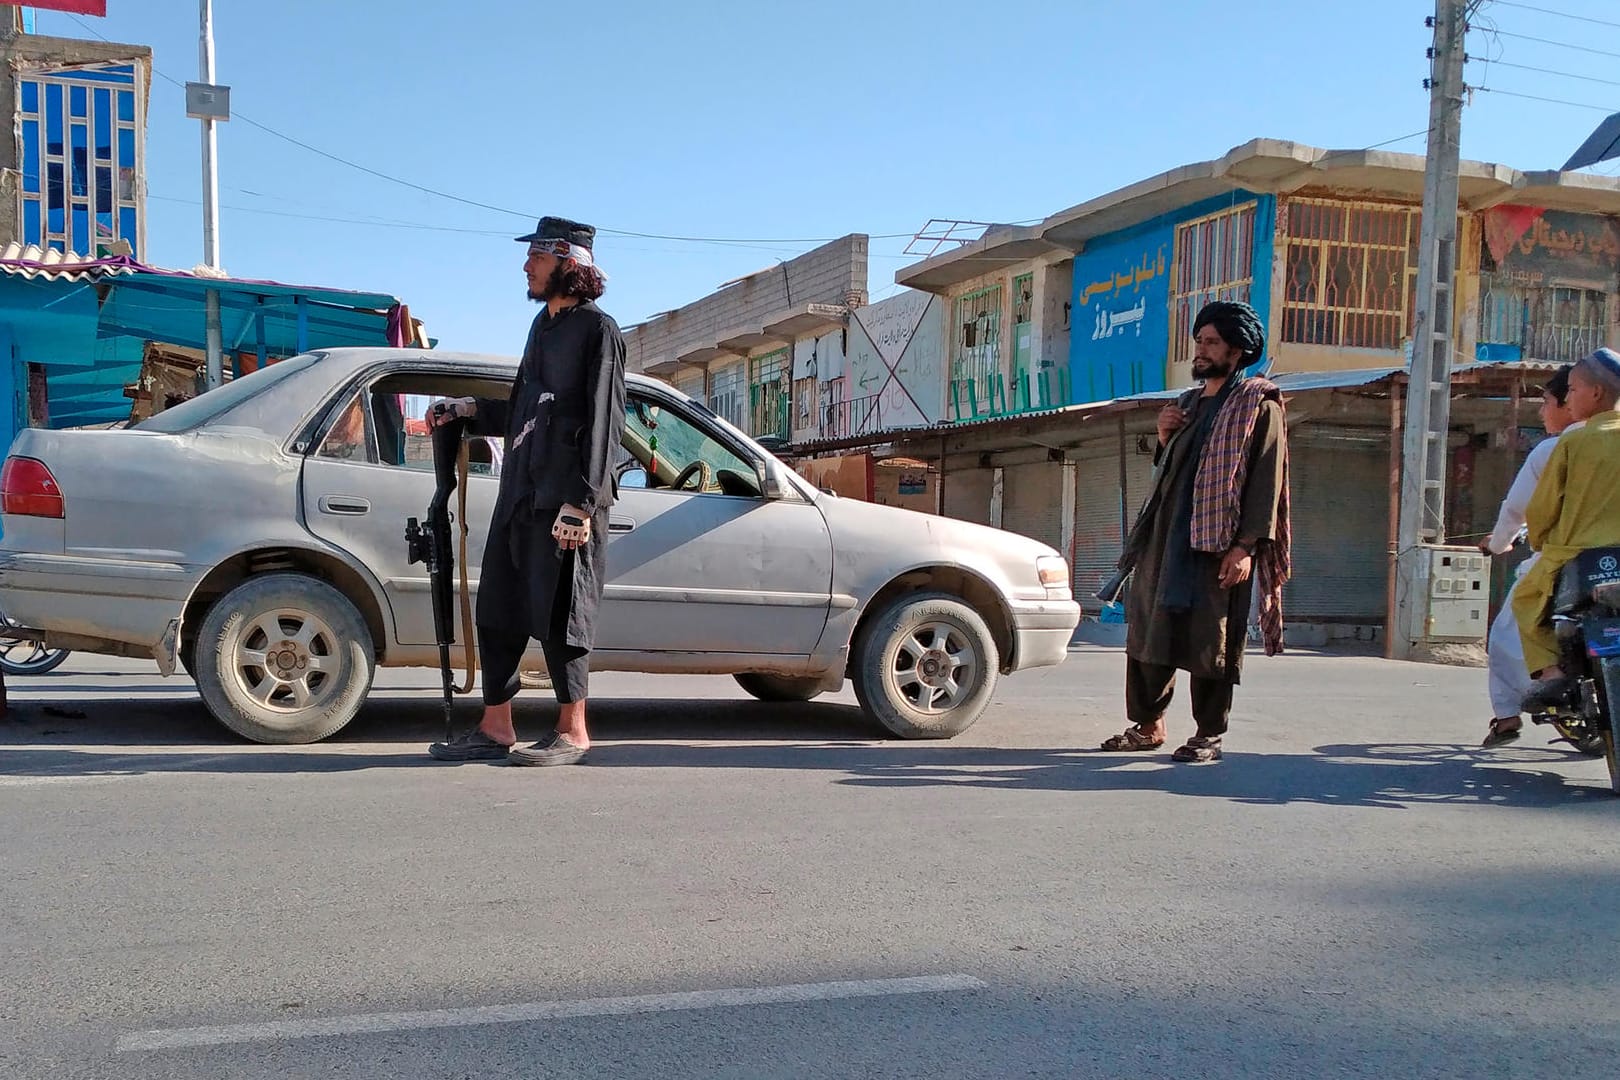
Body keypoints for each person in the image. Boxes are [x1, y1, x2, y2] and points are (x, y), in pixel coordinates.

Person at [427, 217, 627, 766]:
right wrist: (469, 411)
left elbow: (604, 422)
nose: (526, 267)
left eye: (536, 257)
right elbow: (525, 412)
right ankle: (496, 726)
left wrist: (582, 503)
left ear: (568, 261)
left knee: (562, 614)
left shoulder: (598, 330)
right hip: (519, 494)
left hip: (565, 502)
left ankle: (573, 730)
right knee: (499, 609)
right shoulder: (542, 326)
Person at [1098, 300, 1291, 763]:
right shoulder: (1185, 405)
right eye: (1198, 342)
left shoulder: (1258, 406)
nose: (1200, 351)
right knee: (1148, 634)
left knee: (1212, 639)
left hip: (1217, 545)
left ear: (1237, 350)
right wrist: (1163, 439)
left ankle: (1209, 735)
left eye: (1211, 343)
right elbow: (1168, 473)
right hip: (1164, 541)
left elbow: (1267, 481)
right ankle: (1148, 724)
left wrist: (1245, 547)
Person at [1514, 347, 1620, 710]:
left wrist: (1541, 539)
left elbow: (1543, 508)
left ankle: (1551, 675)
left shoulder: (1574, 440)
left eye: (1573, 390)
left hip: (1578, 556)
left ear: (1596, 393)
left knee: (1526, 599)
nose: (1568, 397)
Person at [1477, 366, 1577, 747]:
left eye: (1547, 402)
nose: (1541, 412)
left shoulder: (1558, 449)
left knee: (1508, 632)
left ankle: (1510, 714)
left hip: (1564, 559)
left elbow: (1516, 510)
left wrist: (1499, 542)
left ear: (1579, 398)